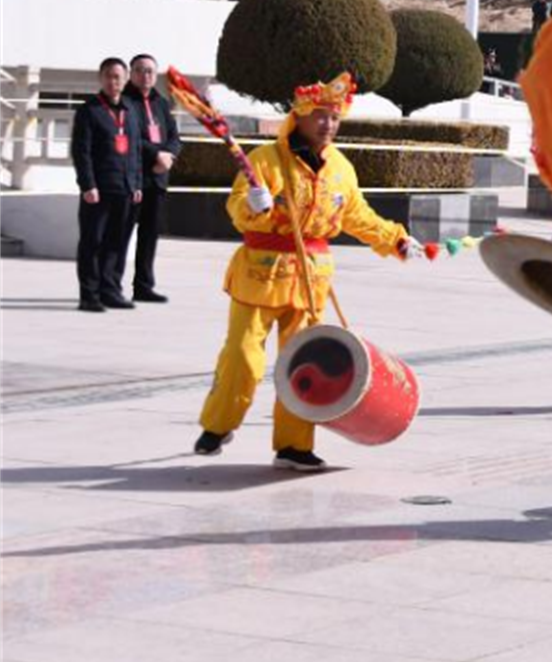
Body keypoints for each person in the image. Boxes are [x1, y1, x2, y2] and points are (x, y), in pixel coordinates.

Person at [193, 73, 422, 470]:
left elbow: (357, 216)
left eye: (334, 117)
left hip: (310, 280)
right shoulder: (267, 160)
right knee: (243, 357)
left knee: (302, 364)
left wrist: (395, 239)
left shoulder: (341, 170)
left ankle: (293, 445)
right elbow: (236, 211)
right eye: (319, 116)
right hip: (260, 275)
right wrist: (253, 206)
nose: (327, 125)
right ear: (297, 117)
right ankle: (218, 424)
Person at [71, 57, 143, 312]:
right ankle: (89, 295)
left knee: (117, 243)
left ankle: (110, 290)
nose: (114, 81)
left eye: (118, 77)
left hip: (124, 189)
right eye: (109, 76)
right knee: (92, 243)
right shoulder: (89, 110)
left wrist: (136, 183)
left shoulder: (131, 110)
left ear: (125, 80)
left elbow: (134, 149)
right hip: (98, 191)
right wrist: (87, 185)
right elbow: (82, 151)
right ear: (101, 78)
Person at [122, 54, 181, 302]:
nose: (145, 75)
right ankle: (108, 285)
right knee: (120, 235)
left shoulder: (161, 103)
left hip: (157, 180)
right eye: (139, 70)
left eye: (150, 71)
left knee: (149, 235)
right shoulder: (123, 102)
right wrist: (157, 155)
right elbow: (130, 137)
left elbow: (174, 137)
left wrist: (168, 156)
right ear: (131, 74)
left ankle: (144, 286)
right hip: (133, 179)